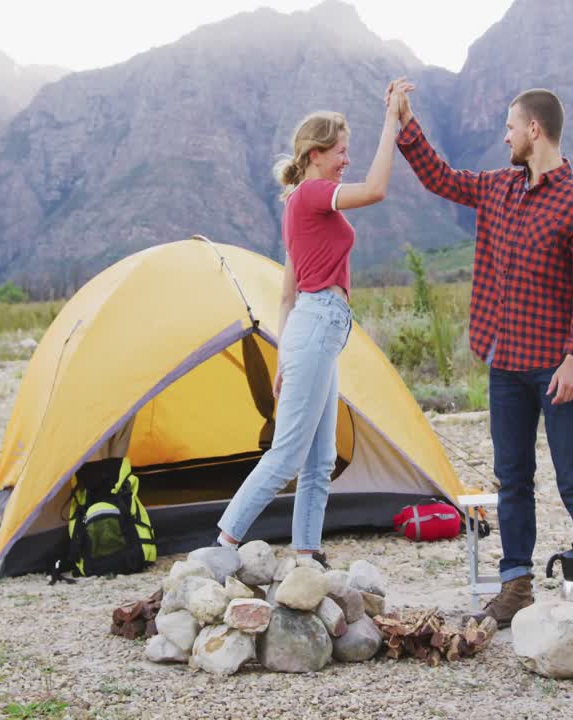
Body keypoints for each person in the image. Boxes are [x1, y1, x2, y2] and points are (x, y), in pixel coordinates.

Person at [389, 85, 573, 626]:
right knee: (512, 478)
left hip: (555, 367)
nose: (505, 136)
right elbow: (441, 178)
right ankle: (516, 584)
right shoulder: (497, 187)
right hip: (506, 363)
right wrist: (406, 123)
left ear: (534, 130)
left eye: (511, 127)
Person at [214, 80, 417, 565]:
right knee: (287, 453)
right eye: (342, 151)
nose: (347, 159)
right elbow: (376, 190)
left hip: (315, 328)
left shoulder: (297, 207)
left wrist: (285, 355)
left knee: (320, 459)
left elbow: (286, 294)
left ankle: (307, 553)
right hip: (319, 323)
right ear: (316, 154)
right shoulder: (311, 196)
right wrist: (392, 122)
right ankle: (221, 546)